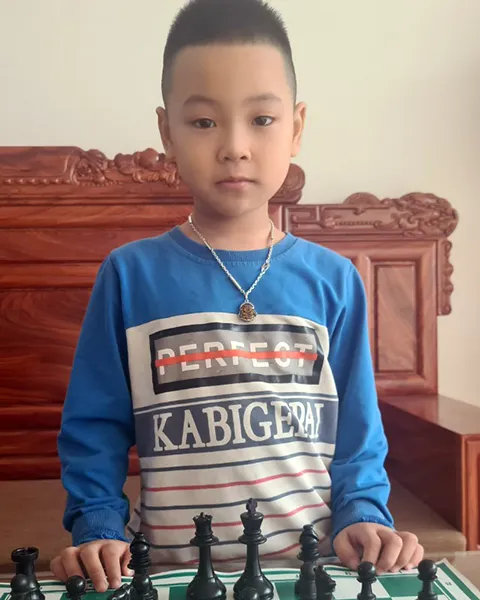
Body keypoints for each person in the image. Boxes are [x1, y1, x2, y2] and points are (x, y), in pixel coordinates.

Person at [50, 0, 423, 592]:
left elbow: (357, 433)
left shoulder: (334, 279)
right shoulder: (129, 274)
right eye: (203, 122)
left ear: (296, 127)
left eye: (262, 119)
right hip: (172, 574)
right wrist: (97, 524)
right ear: (166, 132)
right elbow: (94, 427)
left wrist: (363, 514)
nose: (234, 146)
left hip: (310, 573)